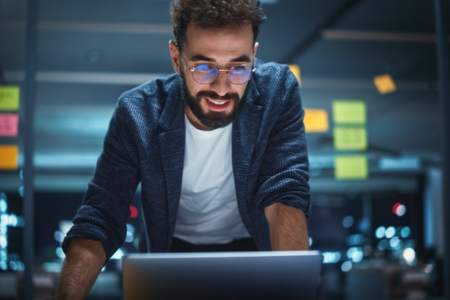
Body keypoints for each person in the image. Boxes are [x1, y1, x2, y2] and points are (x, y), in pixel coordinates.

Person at [56, 0, 311, 299]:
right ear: (176, 58)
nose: (221, 87)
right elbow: (102, 215)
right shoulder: (138, 113)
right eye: (204, 67)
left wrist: (295, 290)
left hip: (252, 249)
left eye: (239, 68)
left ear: (254, 56)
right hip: (170, 254)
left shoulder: (277, 92)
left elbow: (285, 194)